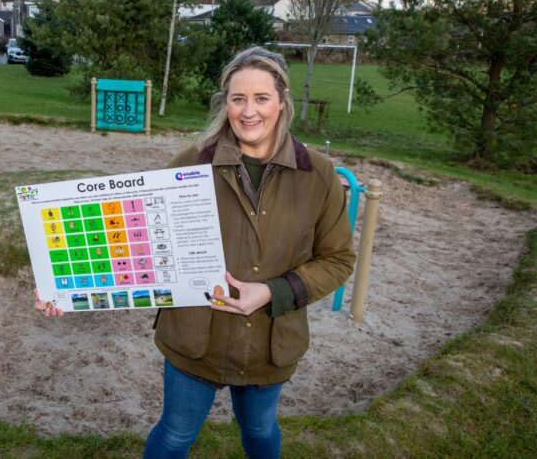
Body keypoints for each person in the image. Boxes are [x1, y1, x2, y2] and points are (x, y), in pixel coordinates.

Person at [35, 46, 355, 457]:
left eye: (261, 98)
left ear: (282, 101)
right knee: (174, 435)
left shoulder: (318, 174)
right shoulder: (190, 165)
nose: (249, 111)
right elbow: (135, 240)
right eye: (238, 99)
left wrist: (273, 292)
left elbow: (338, 259)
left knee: (259, 430)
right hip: (194, 339)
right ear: (226, 103)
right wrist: (62, 286)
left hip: (270, 341)